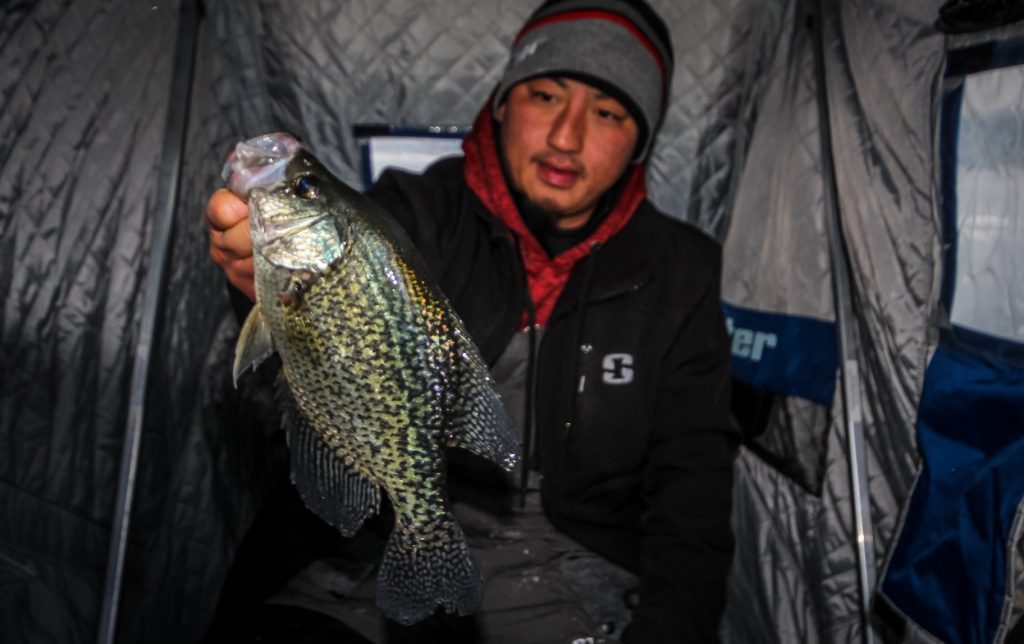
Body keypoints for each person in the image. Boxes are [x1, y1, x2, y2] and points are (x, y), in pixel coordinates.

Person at [205, 0, 739, 642]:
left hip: (573, 577)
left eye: (607, 113)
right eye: (545, 95)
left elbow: (694, 490)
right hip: (358, 562)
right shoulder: (410, 214)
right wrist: (255, 286)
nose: (566, 137)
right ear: (501, 102)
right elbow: (295, 389)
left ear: (639, 143)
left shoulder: (683, 271)